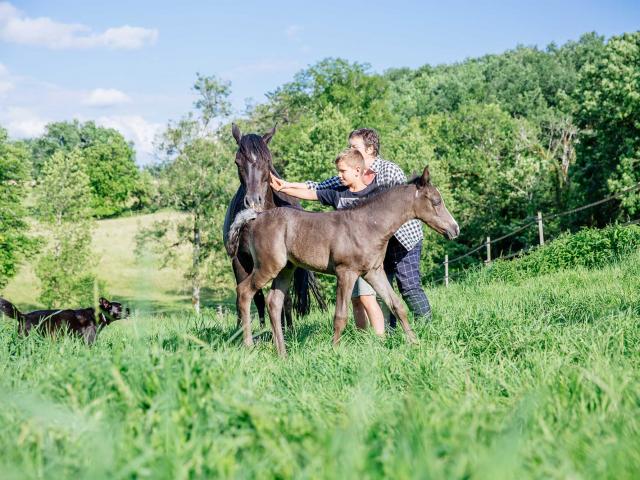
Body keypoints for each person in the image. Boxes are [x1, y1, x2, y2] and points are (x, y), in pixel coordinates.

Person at [304, 128, 431, 326]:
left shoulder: (389, 170)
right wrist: (284, 185)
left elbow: (403, 206)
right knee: (382, 290)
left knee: (409, 286)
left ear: (370, 149)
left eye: (354, 146)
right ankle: (390, 336)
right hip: (376, 242)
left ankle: (426, 329)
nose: (349, 149)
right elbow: (319, 187)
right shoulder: (354, 171)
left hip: (403, 239)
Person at [270, 148, 385, 335]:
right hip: (346, 259)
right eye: (338, 171)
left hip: (365, 256)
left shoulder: (373, 194)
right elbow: (311, 192)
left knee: (367, 298)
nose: (339, 176)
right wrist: (283, 188)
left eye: (342, 171)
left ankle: (380, 338)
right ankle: (363, 338)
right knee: (355, 299)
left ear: (357, 170)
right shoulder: (338, 194)